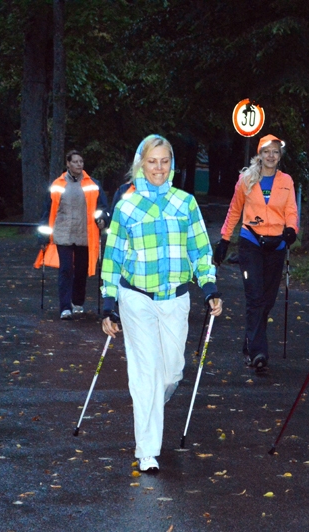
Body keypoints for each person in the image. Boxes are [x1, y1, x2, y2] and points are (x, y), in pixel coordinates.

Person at [100, 135, 222, 473]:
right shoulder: (126, 206)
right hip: (136, 297)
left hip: (175, 298)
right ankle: (147, 450)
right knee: (147, 373)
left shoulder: (185, 203)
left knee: (171, 371)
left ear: (171, 164)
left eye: (164, 161)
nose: (158, 167)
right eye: (152, 161)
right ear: (141, 164)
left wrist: (209, 287)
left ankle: (156, 399)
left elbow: (200, 249)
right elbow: (113, 256)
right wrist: (108, 301)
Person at [214, 134, 299, 372]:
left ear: (279, 156)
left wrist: (292, 229)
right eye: (267, 151)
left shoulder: (286, 181)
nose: (271, 156)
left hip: (277, 245)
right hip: (251, 242)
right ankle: (258, 351)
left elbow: (291, 210)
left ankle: (250, 342)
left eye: (275, 152)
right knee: (255, 297)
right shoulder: (246, 179)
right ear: (259, 154)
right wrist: (224, 240)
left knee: (267, 300)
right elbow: (234, 210)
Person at [35, 150, 108, 320]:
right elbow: (48, 210)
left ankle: (77, 302)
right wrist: (43, 236)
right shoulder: (58, 185)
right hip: (63, 234)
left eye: (81, 161)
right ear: (68, 164)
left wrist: (103, 220)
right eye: (75, 161)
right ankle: (65, 307)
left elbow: (103, 207)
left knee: (81, 271)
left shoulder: (93, 184)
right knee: (66, 270)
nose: (79, 164)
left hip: (84, 234)